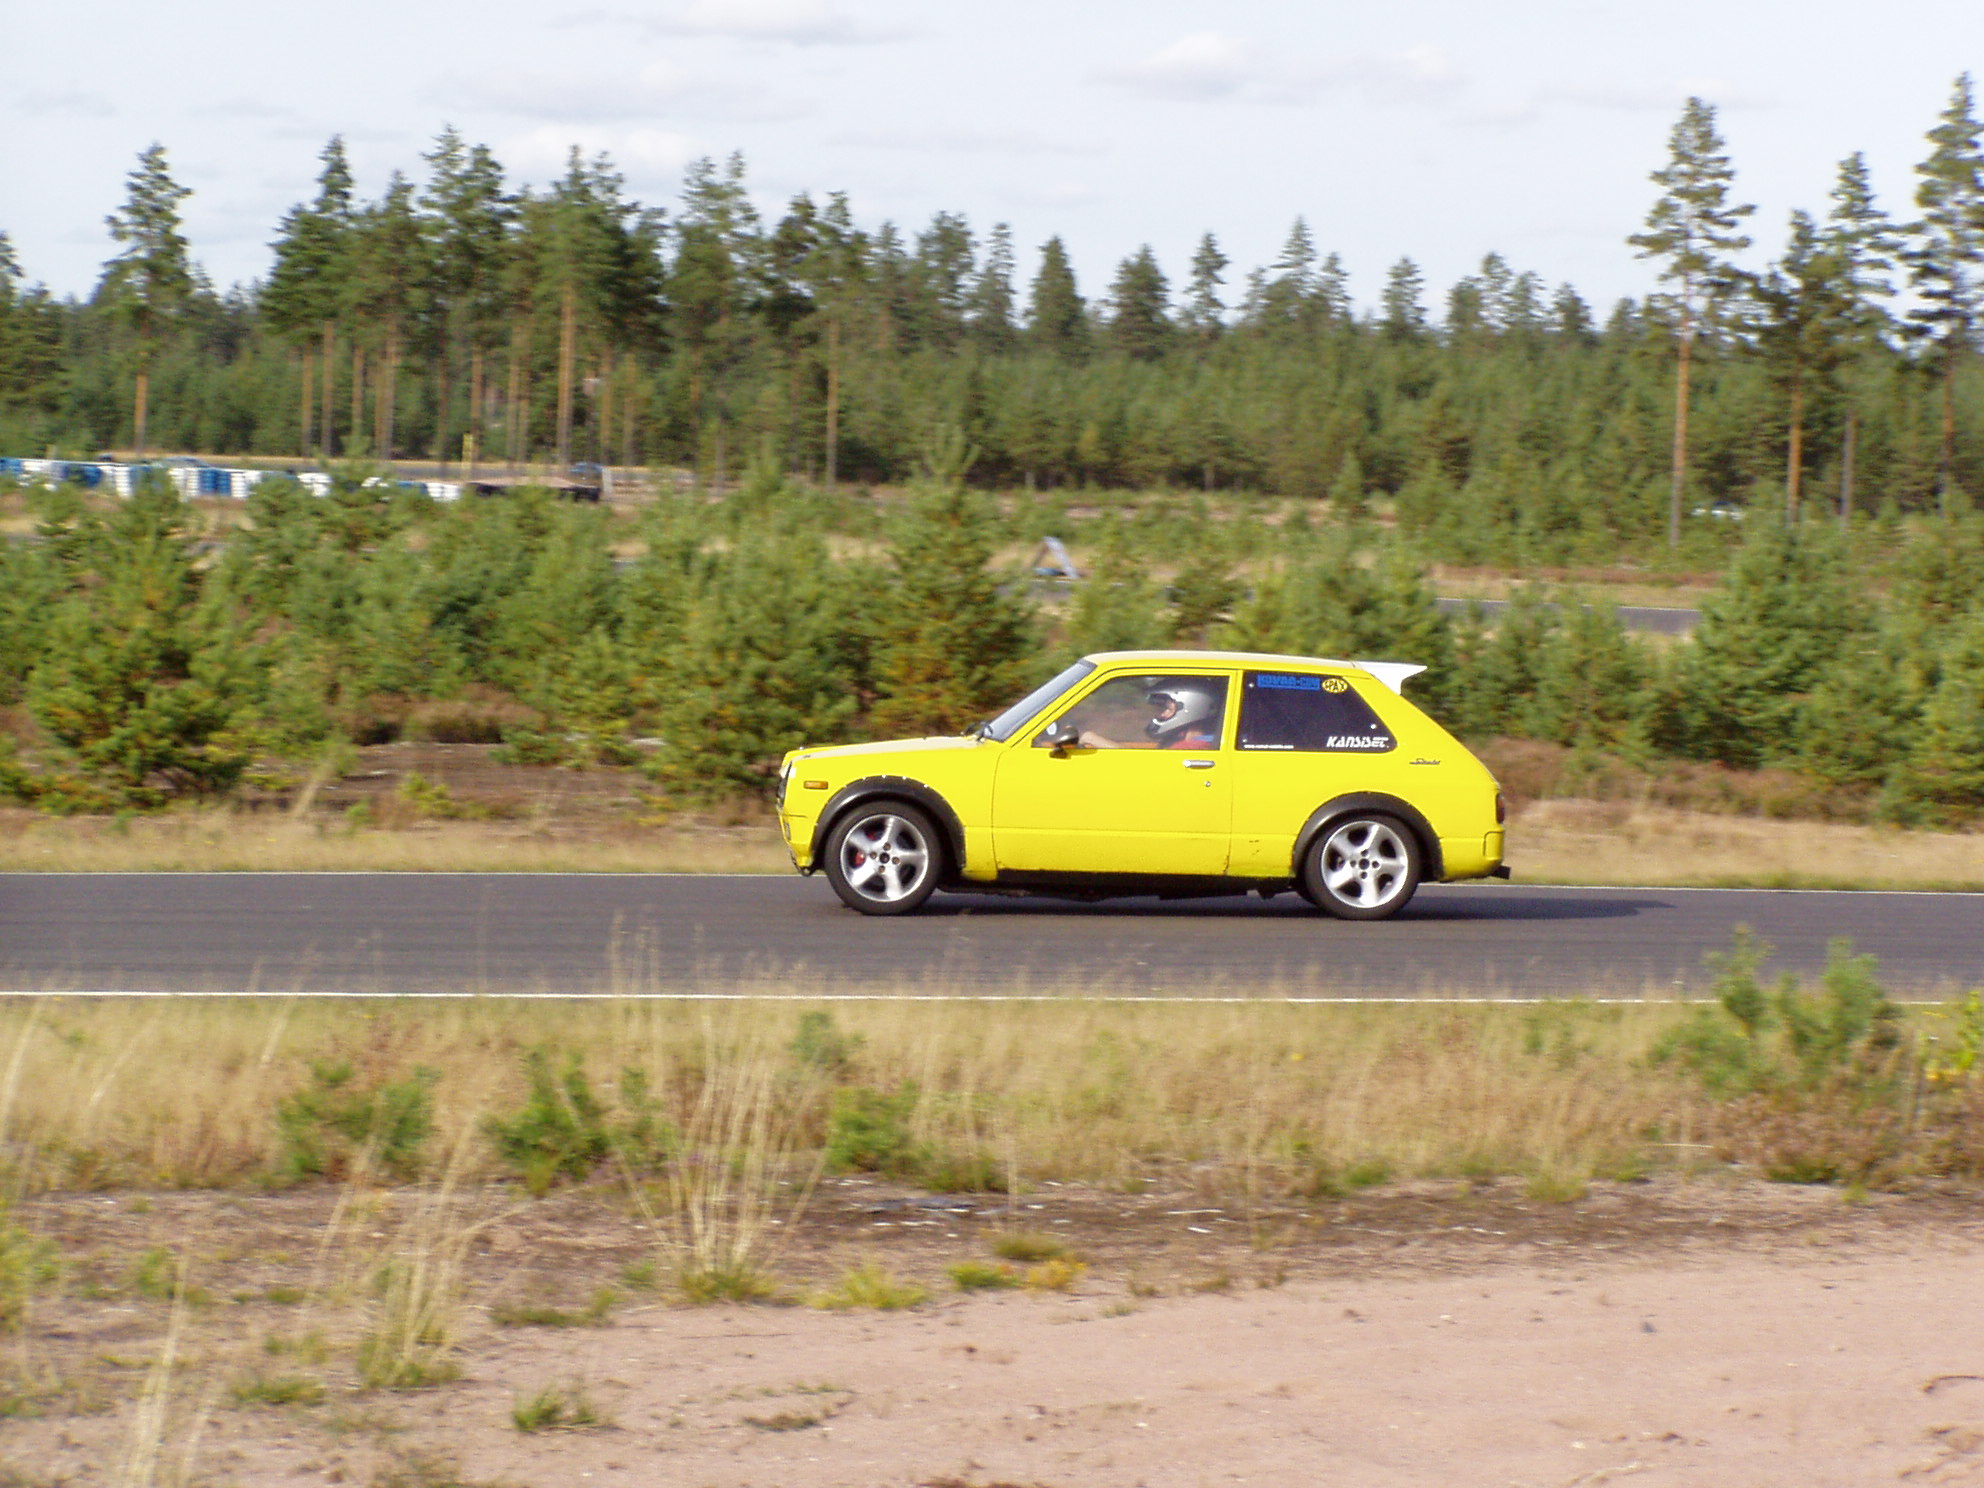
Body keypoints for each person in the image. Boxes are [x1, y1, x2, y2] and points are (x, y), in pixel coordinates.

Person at [1078, 684, 1222, 749]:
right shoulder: (1187, 739)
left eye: (1168, 708)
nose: (1163, 714)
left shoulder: (1193, 746)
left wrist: (1089, 737)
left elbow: (1135, 763)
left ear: (1190, 709)